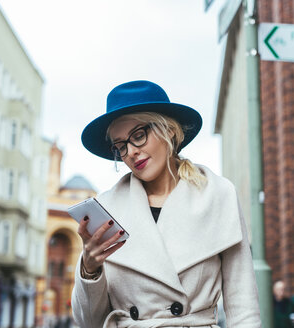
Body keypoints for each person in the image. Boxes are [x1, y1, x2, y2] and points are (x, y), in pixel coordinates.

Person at [71, 80, 261, 328]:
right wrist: (90, 269)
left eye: (138, 135)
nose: (131, 152)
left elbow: (243, 305)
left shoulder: (218, 194)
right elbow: (88, 322)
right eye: (120, 146)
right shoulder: (106, 209)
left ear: (169, 129)